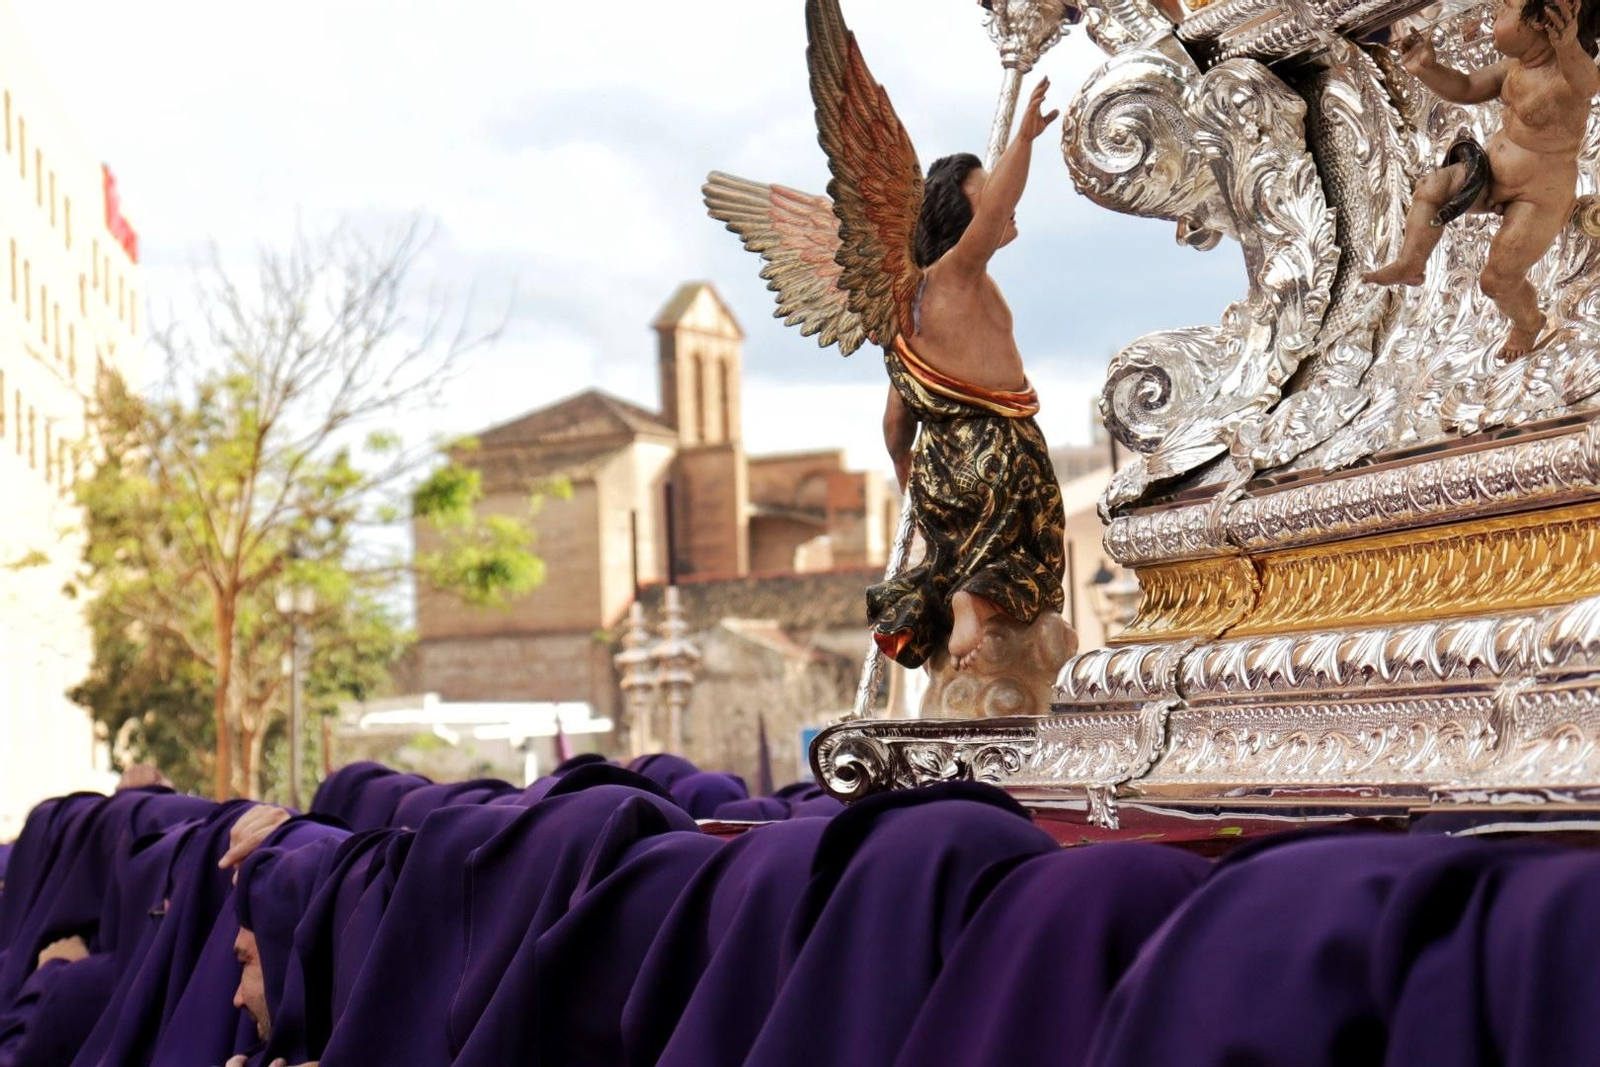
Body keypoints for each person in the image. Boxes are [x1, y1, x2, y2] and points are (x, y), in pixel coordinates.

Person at [874, 78, 1068, 670]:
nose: (1002, 206)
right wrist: (1025, 139)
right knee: (1037, 553)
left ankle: (965, 603)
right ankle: (974, 600)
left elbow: (893, 422)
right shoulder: (955, 275)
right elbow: (1002, 207)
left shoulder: (906, 307)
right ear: (964, 217)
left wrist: (909, 475)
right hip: (999, 451)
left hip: (941, 468)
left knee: (959, 553)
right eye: (984, 196)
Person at [1364, 0, 1600, 360]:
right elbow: (1467, 87)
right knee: (1431, 188)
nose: (1494, 12)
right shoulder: (1514, 67)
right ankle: (1412, 263)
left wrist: (1567, 45)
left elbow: (1588, 85)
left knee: (1497, 280)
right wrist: (1427, 68)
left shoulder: (1569, 76)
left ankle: (1527, 322)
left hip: (1540, 197)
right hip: (1490, 173)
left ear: (1542, 22)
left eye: (1505, 7)